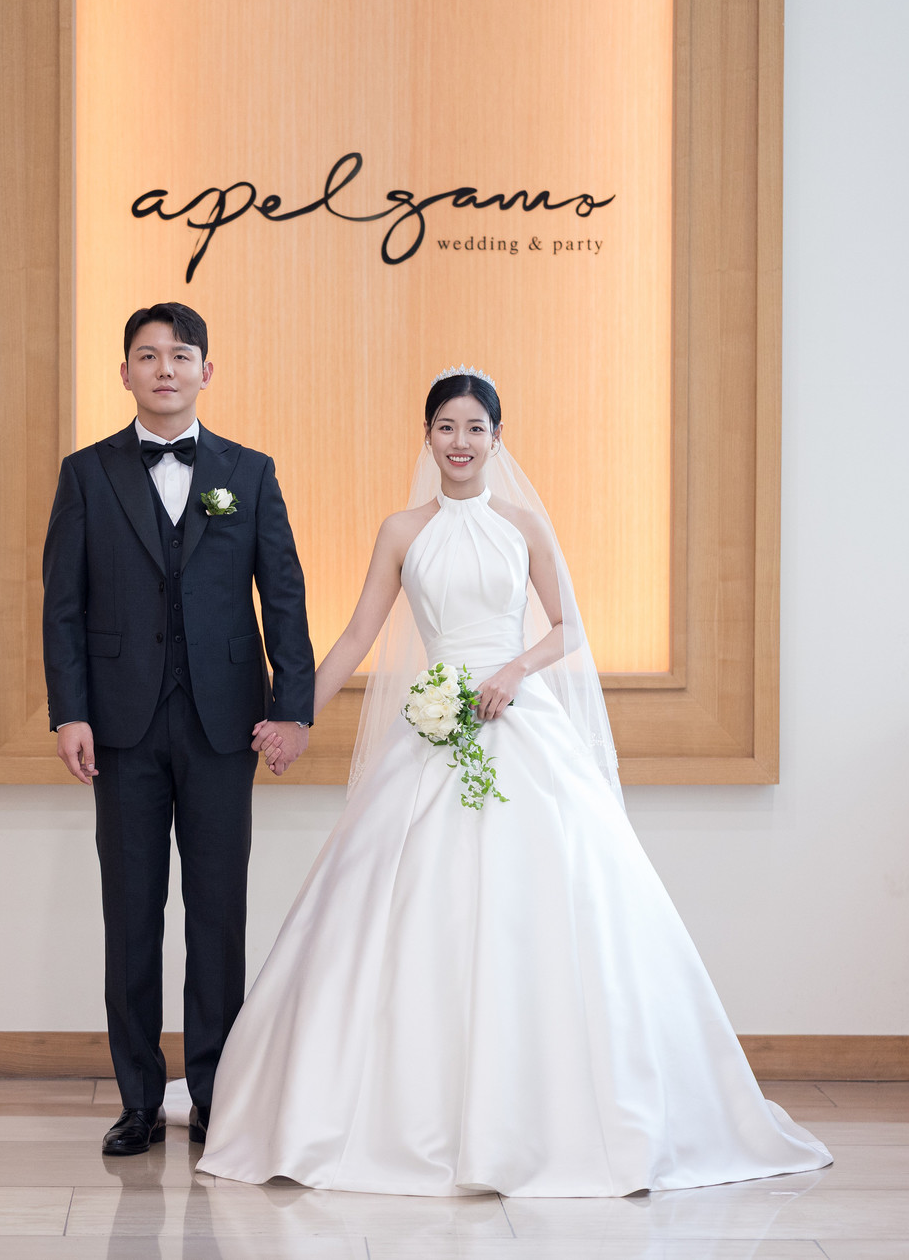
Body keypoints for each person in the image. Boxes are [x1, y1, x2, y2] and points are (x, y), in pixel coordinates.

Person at [198, 368, 832, 1195]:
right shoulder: (402, 530)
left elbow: (568, 628)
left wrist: (513, 670)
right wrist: (294, 719)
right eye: (446, 427)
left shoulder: (525, 526)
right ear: (427, 437)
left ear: (498, 439)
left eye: (475, 428)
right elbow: (356, 637)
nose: (459, 442)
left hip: (518, 720)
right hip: (432, 729)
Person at [41, 302, 315, 1156]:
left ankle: (214, 1095)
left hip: (223, 725)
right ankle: (137, 1100)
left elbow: (284, 594)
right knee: (131, 916)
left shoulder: (250, 473)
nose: (165, 369)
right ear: (124, 371)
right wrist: (69, 709)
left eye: (180, 355)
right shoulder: (87, 474)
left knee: (217, 915)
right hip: (119, 727)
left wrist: (292, 707)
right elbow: (63, 606)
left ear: (207, 371)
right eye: (148, 355)